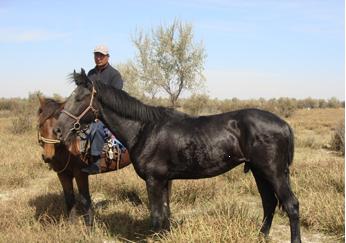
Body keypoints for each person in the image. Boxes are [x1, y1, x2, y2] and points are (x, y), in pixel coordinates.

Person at [81, 45, 124, 175]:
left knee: (96, 128)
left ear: (107, 57)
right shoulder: (90, 74)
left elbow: (115, 98)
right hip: (91, 111)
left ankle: (96, 162)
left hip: (108, 114)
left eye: (101, 55)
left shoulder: (114, 75)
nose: (98, 58)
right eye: (96, 55)